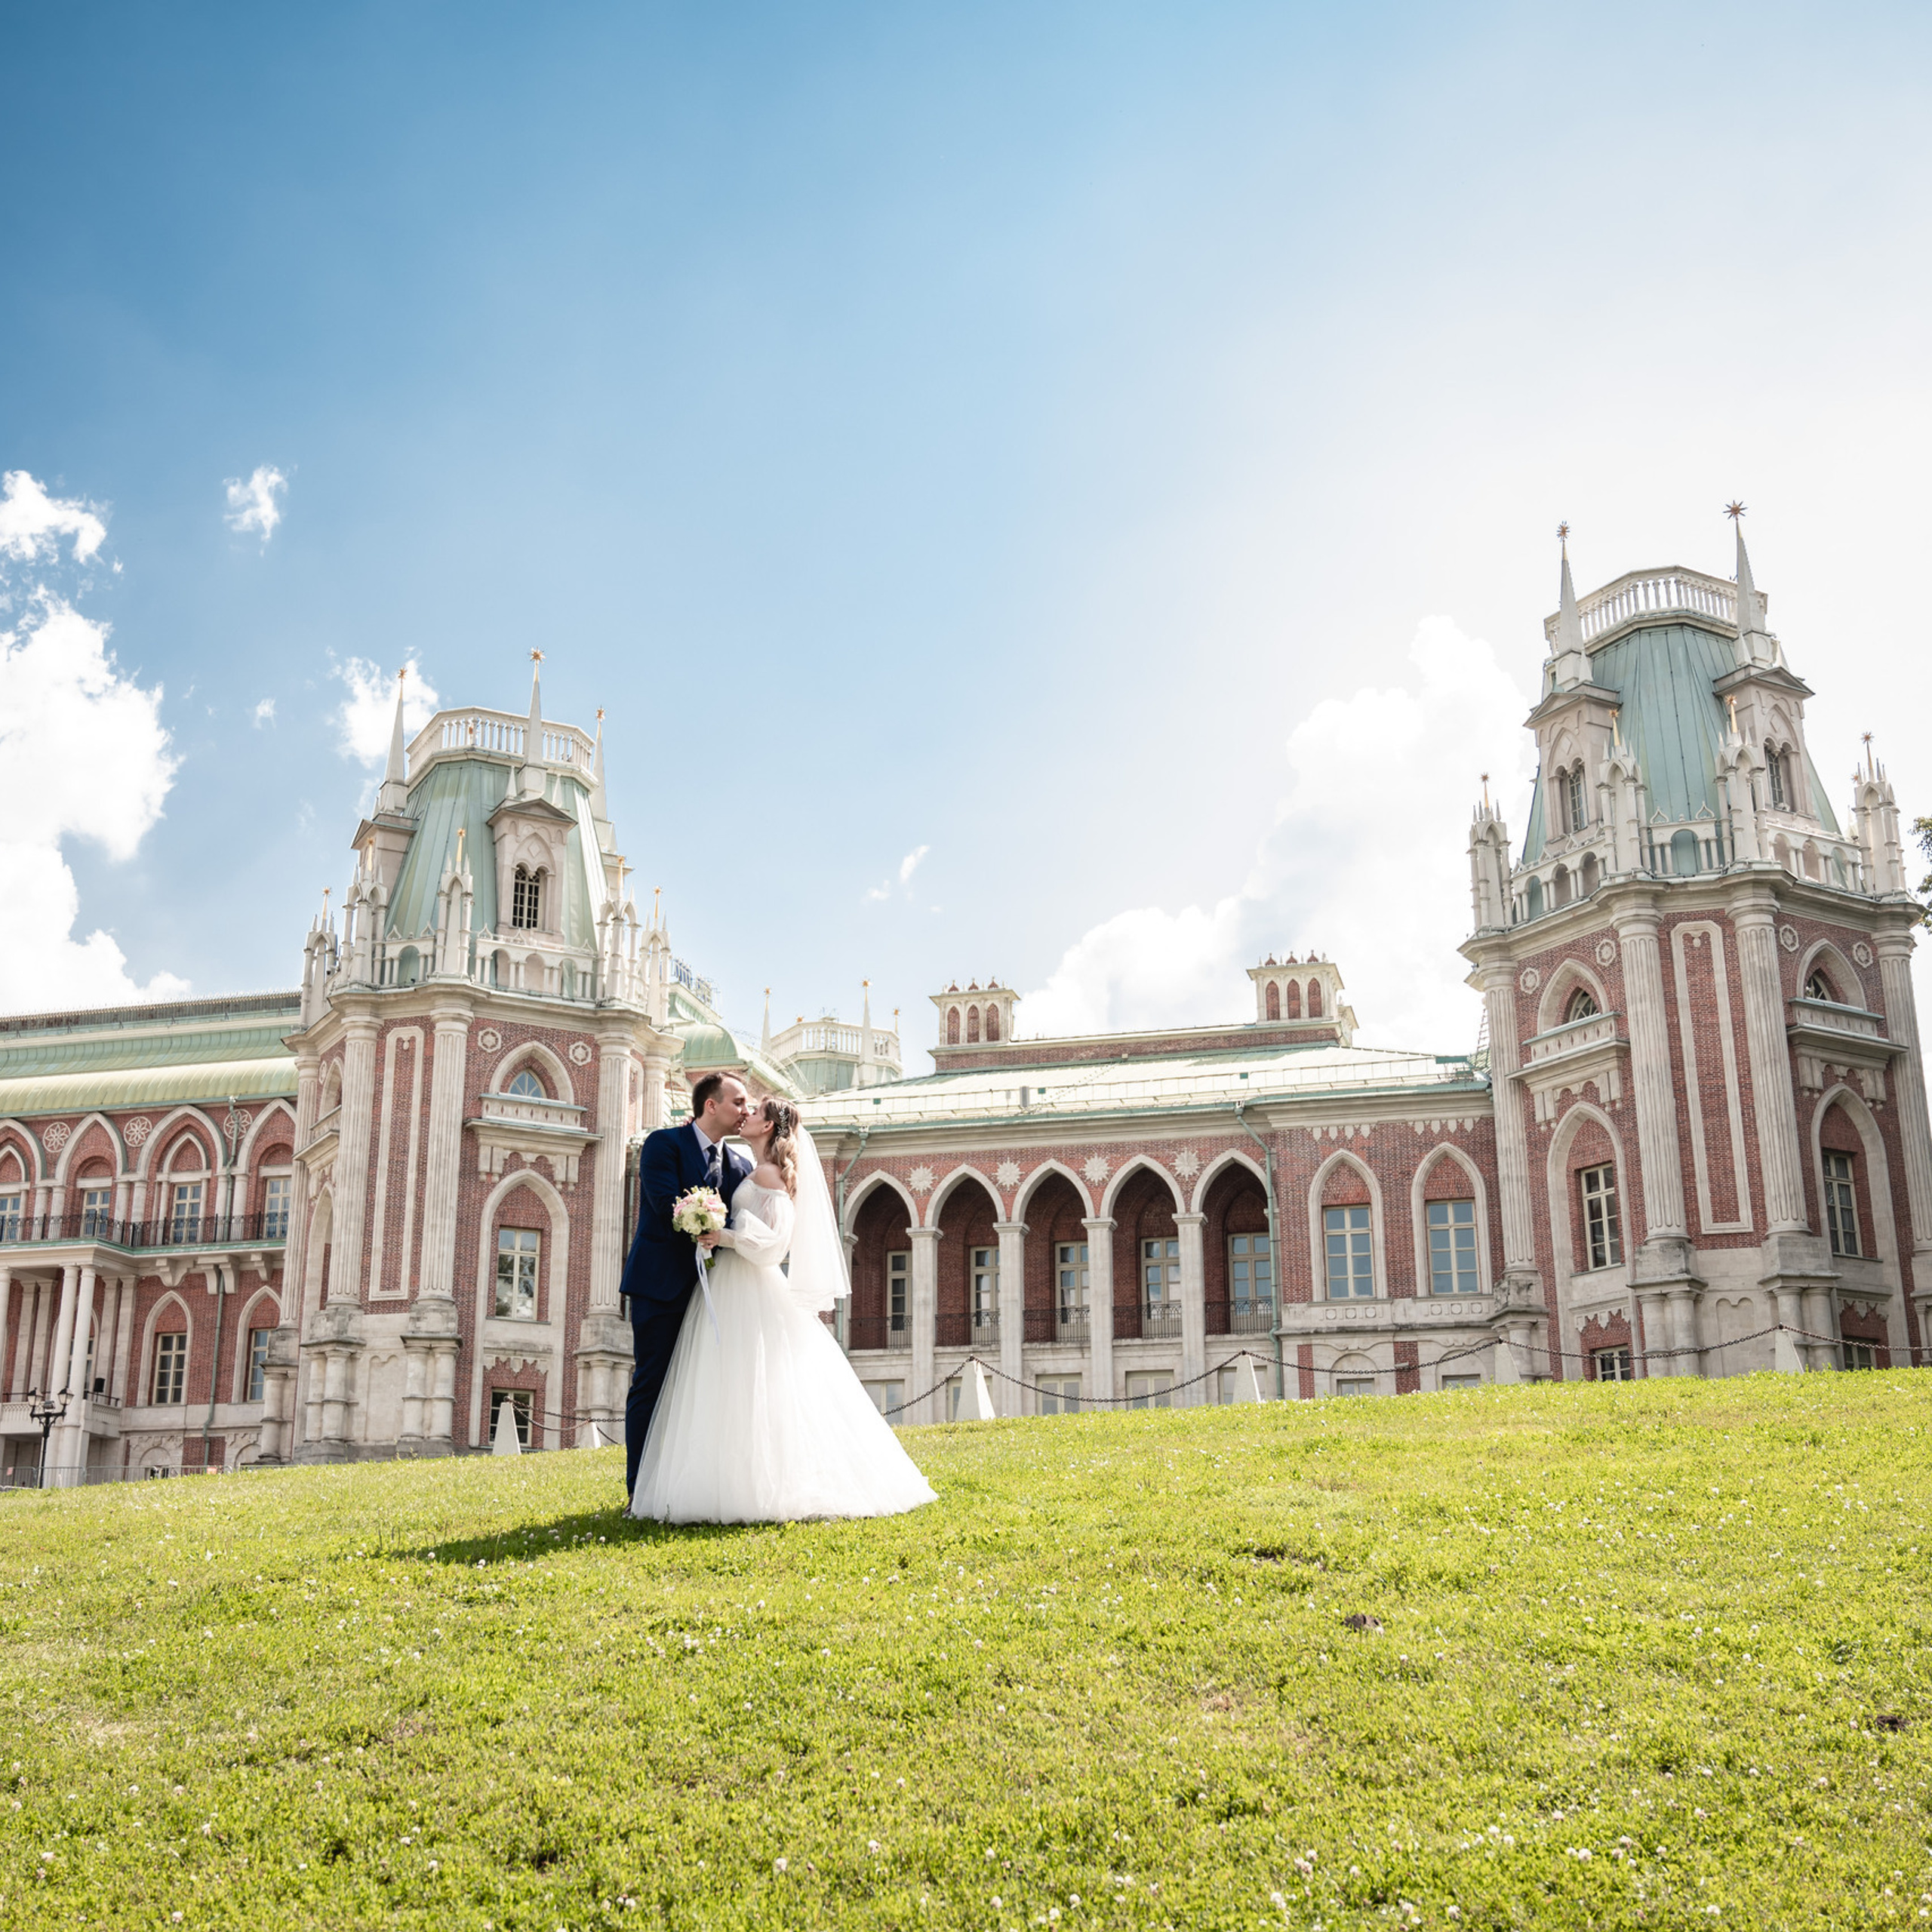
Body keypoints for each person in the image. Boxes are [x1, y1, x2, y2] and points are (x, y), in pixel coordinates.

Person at [630, 1094, 938, 1524]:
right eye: (742, 1106)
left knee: (755, 1386)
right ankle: (722, 1481)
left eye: (753, 1111)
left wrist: (725, 1237)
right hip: (727, 1285)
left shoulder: (770, 1175)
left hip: (749, 1285)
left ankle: (754, 1487)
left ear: (769, 1127)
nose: (746, 1114)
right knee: (729, 1388)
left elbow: (775, 1245)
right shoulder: (749, 1168)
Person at [618, 1070, 755, 1501]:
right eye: (738, 1103)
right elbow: (665, 1205)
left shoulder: (741, 1166)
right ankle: (639, 1490)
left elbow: (740, 1223)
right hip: (659, 1287)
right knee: (651, 1384)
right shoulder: (664, 1144)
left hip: (713, 1295)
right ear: (710, 1105)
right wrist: (706, 1223)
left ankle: (684, 1486)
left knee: (699, 1389)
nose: (745, 1112)